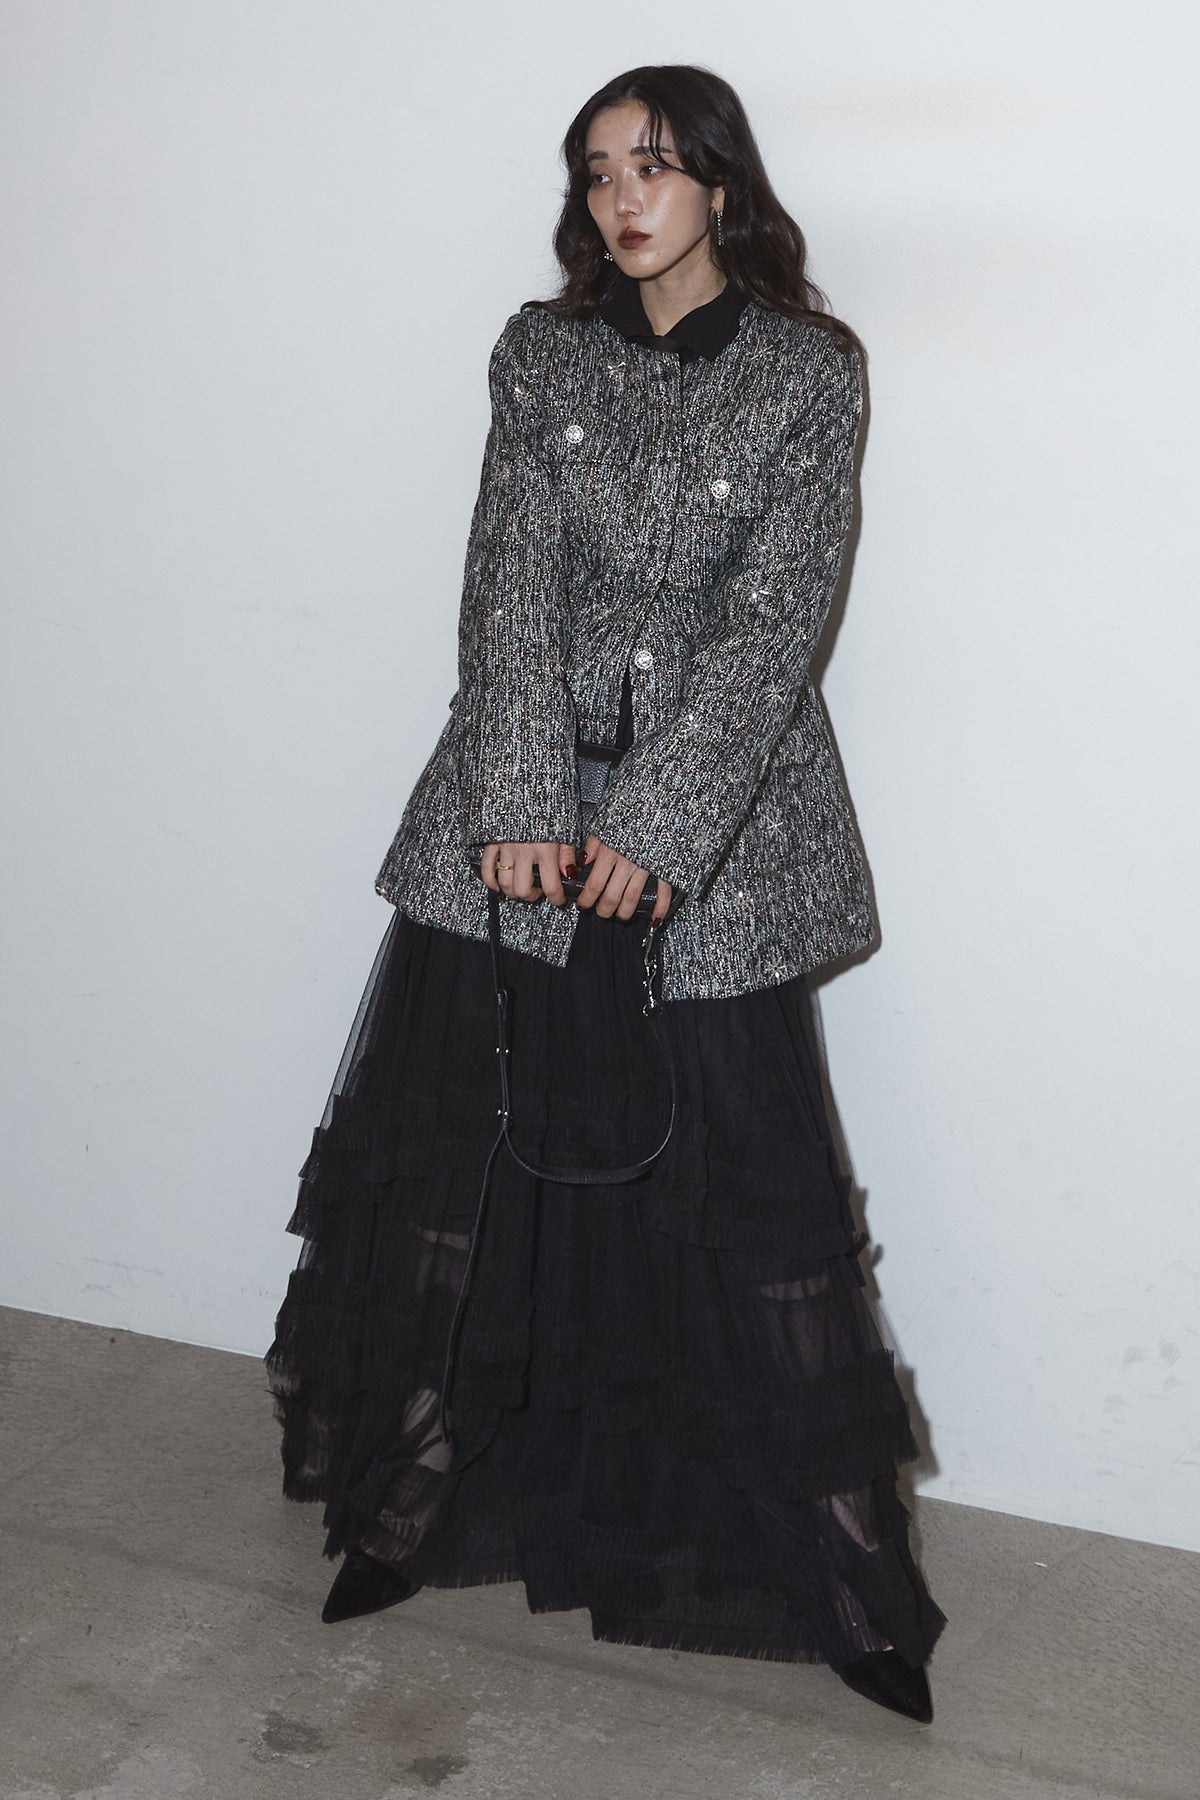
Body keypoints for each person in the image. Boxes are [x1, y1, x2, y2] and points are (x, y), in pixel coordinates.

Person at [264, 62, 946, 1724]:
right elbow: (502, 579)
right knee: (463, 1174)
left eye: (654, 165)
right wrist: (516, 800)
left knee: (756, 1204)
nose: (624, 198)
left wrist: (657, 824)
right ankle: (410, 1504)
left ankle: (850, 1579)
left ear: (720, 182)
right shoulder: (541, 354)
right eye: (597, 172)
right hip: (513, 832)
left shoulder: (808, 374)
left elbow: (777, 624)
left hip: (718, 841)